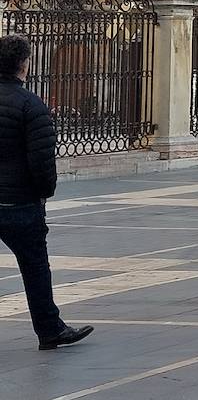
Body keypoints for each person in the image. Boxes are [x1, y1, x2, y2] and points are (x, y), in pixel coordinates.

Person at [0, 35, 94, 351]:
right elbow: (41, 158)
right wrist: (43, 193)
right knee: (35, 266)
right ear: (24, 65)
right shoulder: (30, 104)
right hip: (19, 203)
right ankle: (49, 329)